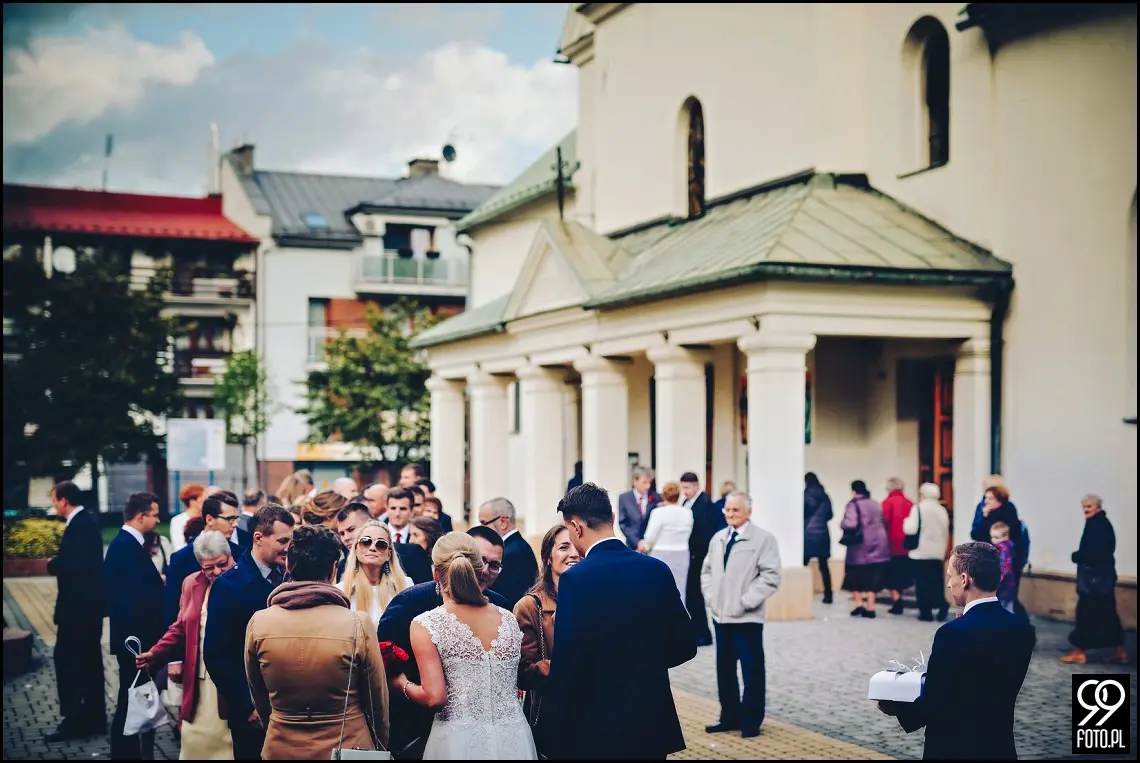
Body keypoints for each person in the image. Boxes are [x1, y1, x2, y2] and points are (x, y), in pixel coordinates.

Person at [543, 483, 696, 759]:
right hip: (651, 718)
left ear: (576, 528)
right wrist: (645, 664)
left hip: (598, 723)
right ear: (612, 517)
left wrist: (551, 729)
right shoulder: (656, 569)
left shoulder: (577, 580)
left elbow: (569, 662)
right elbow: (686, 644)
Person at [878, 542, 1036, 760]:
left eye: (950, 576)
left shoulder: (952, 633)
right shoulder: (1022, 629)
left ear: (964, 579)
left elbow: (935, 699)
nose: (949, 584)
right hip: (999, 746)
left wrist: (895, 706)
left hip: (954, 747)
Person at [246, 525, 389, 760]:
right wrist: (379, 745)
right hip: (349, 746)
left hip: (282, 744)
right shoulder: (357, 623)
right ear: (334, 570)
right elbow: (376, 701)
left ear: (289, 566)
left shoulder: (259, 622)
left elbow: (259, 694)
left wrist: (276, 724)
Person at [390, 532, 535, 759]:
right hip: (514, 737)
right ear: (478, 569)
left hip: (457, 741)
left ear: (436, 573)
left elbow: (435, 698)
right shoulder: (507, 617)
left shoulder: (427, 623)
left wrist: (401, 684)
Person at [203, 503, 295, 760]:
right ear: (258, 538)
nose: (289, 547)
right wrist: (246, 706)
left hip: (290, 705)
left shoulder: (290, 576)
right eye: (283, 540)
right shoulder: (228, 586)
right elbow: (216, 654)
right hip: (252, 711)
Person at [135, 531, 236, 760]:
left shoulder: (240, 581)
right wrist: (156, 653)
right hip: (198, 680)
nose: (216, 572)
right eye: (209, 568)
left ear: (230, 556)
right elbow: (180, 627)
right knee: (194, 744)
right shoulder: (192, 583)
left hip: (228, 681)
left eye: (222, 564)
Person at [700, 491, 781, 739]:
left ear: (748, 511)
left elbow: (771, 576)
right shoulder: (718, 538)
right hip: (721, 617)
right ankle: (729, 717)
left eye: (735, 510)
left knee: (752, 671)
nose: (730, 514)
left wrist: (745, 602)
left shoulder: (763, 539)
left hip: (747, 618)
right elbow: (706, 572)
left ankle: (751, 721)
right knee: (724, 670)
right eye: (727, 510)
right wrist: (712, 599)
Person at [104, 492, 165, 760]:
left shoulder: (129, 543)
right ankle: (124, 753)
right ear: (141, 516)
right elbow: (131, 601)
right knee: (129, 702)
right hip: (135, 643)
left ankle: (131, 752)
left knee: (133, 699)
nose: (158, 519)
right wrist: (140, 648)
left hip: (136, 640)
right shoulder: (125, 546)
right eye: (155, 514)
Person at [45, 480, 107, 742]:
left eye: (54, 499)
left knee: (71, 663)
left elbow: (77, 563)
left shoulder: (81, 524)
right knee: (89, 663)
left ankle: (76, 720)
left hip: (78, 611)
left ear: (63, 500)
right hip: (86, 610)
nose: (53, 504)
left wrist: (53, 564)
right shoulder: (87, 523)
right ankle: (94, 716)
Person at [513, 524, 580, 759]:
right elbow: (522, 672)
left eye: (577, 546)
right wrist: (557, 667)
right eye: (563, 547)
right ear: (548, 558)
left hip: (593, 715)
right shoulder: (531, 606)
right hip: (553, 716)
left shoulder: (596, 599)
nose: (573, 553)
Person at [1061, 495, 1129, 665]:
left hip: (1094, 580)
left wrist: (1076, 556)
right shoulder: (1100, 523)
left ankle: (1079, 651)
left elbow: (1096, 552)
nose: (1086, 509)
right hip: (1101, 578)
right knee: (1107, 614)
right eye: (1084, 506)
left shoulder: (1098, 525)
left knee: (1086, 613)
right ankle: (1119, 651)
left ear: (1098, 507)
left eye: (1089, 506)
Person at [164, 495, 245, 628]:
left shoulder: (242, 554)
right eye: (229, 519)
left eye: (236, 518)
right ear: (209, 519)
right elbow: (172, 611)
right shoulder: (181, 559)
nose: (235, 524)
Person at [339, 520, 415, 627]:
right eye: (365, 542)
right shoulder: (341, 591)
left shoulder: (405, 586)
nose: (372, 548)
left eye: (381, 544)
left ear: (389, 554)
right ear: (356, 549)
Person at [680, 471, 723, 647]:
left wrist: (698, 554)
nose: (685, 491)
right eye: (683, 488)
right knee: (691, 596)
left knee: (695, 596)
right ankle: (696, 631)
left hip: (699, 556)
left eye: (688, 488)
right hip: (690, 555)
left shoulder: (704, 503)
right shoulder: (686, 502)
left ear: (696, 486)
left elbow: (705, 532)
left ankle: (703, 634)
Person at [840, 480, 890, 618]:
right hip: (878, 544)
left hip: (860, 546)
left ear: (854, 490)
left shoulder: (853, 504)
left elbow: (850, 524)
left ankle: (858, 604)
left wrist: (842, 523)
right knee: (872, 577)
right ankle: (870, 607)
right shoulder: (875, 503)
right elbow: (884, 521)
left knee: (854, 575)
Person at [479, 497, 539, 609]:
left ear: (503, 521)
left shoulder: (511, 554)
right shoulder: (515, 546)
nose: (481, 529)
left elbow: (507, 598)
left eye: (484, 523)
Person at [902, 483, 951, 622]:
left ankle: (926, 611)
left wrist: (905, 521)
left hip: (920, 551)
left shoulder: (918, 508)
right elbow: (945, 530)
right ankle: (941, 604)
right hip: (937, 551)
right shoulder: (941, 510)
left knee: (922, 581)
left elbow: (910, 529)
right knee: (936, 580)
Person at [639, 481, 693, 606]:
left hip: (660, 553)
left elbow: (651, 536)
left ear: (664, 495)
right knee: (680, 588)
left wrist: (645, 545)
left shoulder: (658, 512)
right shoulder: (687, 512)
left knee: (658, 589)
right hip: (682, 552)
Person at [881, 477, 914, 615]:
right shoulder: (910, 503)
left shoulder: (886, 503)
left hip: (891, 545)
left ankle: (897, 599)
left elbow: (883, 523)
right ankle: (899, 597)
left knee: (890, 575)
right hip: (907, 546)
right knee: (902, 573)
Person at [802, 473, 834, 604]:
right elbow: (830, 515)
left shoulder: (804, 495)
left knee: (802, 563)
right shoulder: (825, 496)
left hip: (808, 532)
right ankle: (828, 594)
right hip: (823, 533)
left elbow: (801, 513)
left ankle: (802, 594)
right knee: (824, 565)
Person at [617, 465, 660, 550]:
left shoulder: (657, 497)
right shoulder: (624, 498)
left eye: (649, 482)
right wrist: (637, 542)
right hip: (632, 546)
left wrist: (647, 543)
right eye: (644, 482)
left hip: (652, 546)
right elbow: (623, 523)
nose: (648, 486)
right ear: (635, 481)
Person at [989, 522, 1018, 614]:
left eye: (996, 537)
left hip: (1003, 585)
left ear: (1005, 537)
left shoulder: (1003, 549)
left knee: (1002, 609)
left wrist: (996, 580)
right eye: (992, 537)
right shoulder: (1009, 547)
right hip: (1009, 585)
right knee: (1009, 608)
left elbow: (1004, 566)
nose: (993, 540)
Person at [170, 483, 208, 552]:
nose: (205, 502)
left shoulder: (207, 518)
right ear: (192, 501)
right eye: (202, 499)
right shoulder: (178, 520)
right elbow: (178, 546)